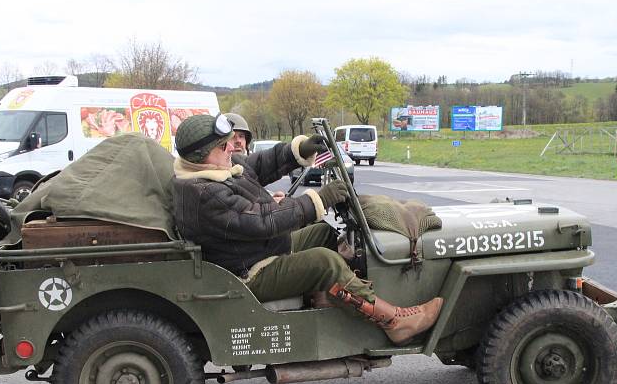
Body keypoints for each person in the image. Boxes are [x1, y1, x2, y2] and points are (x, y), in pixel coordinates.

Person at [172, 114, 442, 345]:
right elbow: (262, 220)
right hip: (249, 272)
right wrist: (319, 199)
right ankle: (391, 320)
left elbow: (257, 165)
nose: (231, 147)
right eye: (223, 145)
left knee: (323, 234)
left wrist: (297, 151)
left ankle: (334, 298)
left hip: (255, 251)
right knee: (324, 262)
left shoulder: (214, 169)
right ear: (201, 156)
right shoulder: (203, 192)